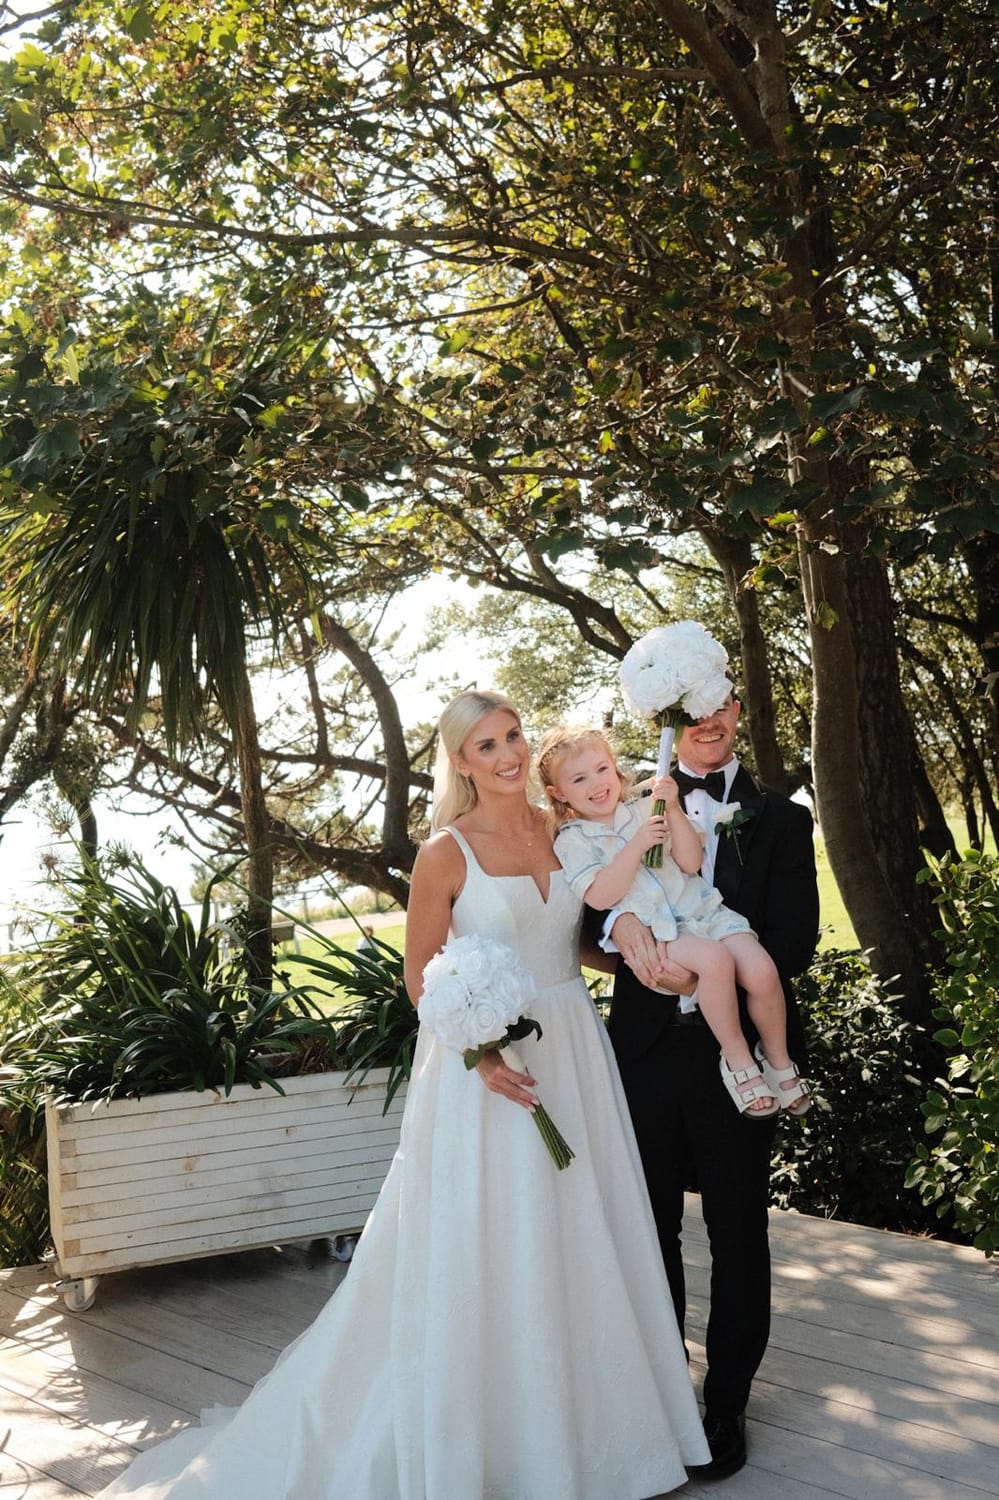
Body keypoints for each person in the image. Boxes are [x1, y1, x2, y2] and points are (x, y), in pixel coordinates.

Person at [95, 688, 708, 1500]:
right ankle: (499, 1446)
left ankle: (598, 1436)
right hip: (488, 1069)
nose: (508, 754)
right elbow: (421, 976)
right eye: (486, 745)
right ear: (460, 761)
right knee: (500, 1237)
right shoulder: (444, 853)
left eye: (513, 736)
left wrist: (646, 955)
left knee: (584, 1227)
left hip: (573, 1050)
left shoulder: (562, 827)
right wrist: (479, 1053)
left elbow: (575, 936)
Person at [595, 692, 819, 1481]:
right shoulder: (616, 809)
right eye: (689, 710)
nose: (709, 721)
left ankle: (725, 1404)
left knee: (737, 1230)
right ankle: (660, 1397)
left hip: (740, 1056)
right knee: (649, 1227)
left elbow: (793, 943)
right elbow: (581, 919)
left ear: (734, 704)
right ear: (663, 721)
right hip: (645, 1051)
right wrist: (622, 931)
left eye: (719, 703)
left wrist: (704, 970)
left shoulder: (782, 820)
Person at [538, 724, 810, 1118]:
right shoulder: (572, 840)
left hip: (704, 912)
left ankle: (778, 1058)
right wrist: (637, 845)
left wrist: (674, 811)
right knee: (715, 961)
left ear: (615, 768)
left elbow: (690, 862)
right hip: (663, 930)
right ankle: (738, 1059)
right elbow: (599, 896)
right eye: (579, 779)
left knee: (761, 969)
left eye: (602, 769)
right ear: (558, 793)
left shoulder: (644, 808)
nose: (596, 784)